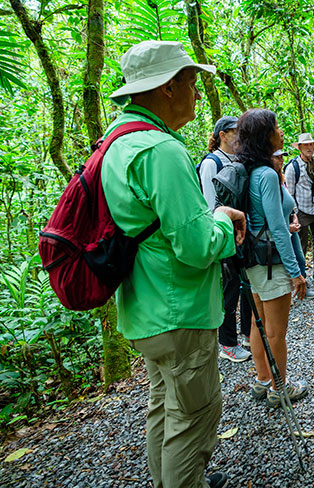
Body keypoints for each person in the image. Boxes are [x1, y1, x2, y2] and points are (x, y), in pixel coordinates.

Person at [102, 41, 246, 488]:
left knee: (164, 405)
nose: (196, 93)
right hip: (178, 309)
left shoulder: (116, 144)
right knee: (194, 416)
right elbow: (196, 246)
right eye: (190, 82)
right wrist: (223, 221)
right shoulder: (161, 151)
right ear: (166, 88)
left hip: (146, 311)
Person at [240, 109, 309, 409]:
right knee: (275, 331)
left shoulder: (251, 171)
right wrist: (296, 271)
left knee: (259, 323)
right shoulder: (267, 175)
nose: (281, 131)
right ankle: (279, 389)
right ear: (264, 135)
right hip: (271, 263)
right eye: (276, 127)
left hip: (254, 262)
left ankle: (262, 380)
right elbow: (278, 228)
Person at [199, 115, 252, 362]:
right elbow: (211, 205)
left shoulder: (237, 159)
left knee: (246, 286)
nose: (239, 136)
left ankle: (247, 334)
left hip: (240, 232)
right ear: (222, 135)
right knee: (229, 290)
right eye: (235, 131)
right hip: (224, 235)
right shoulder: (212, 162)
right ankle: (227, 343)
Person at [284, 133, 314, 285]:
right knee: (301, 247)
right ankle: (301, 277)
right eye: (306, 145)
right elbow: (290, 193)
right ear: (300, 148)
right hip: (302, 212)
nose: (309, 147)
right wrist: (294, 213)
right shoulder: (293, 167)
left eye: (311, 144)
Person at [275, 149, 314, 299]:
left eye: (282, 157)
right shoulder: (269, 178)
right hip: (281, 228)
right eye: (277, 157)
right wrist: (287, 226)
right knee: (290, 258)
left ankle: (302, 287)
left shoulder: (280, 177)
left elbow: (288, 198)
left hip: (291, 222)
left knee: (300, 257)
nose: (281, 160)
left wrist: (294, 216)